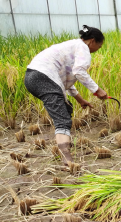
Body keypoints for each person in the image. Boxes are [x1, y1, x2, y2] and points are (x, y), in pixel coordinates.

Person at [25, 25, 108, 165]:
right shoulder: (83, 48)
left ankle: (65, 143)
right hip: (45, 78)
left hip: (32, 77)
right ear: (92, 41)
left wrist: (81, 100)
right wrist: (97, 90)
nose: (97, 50)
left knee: (66, 109)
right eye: (99, 47)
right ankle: (66, 159)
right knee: (62, 120)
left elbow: (65, 79)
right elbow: (79, 72)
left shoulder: (71, 46)